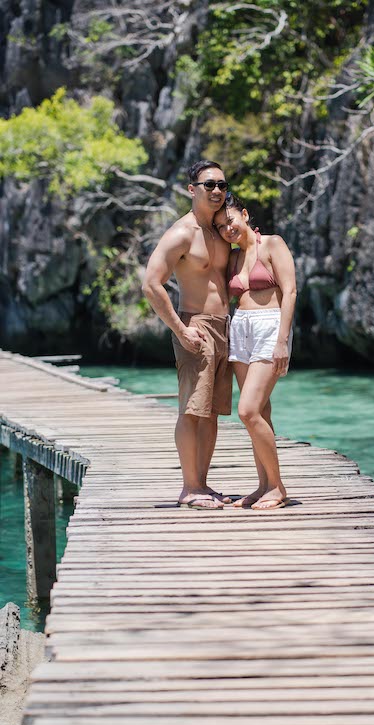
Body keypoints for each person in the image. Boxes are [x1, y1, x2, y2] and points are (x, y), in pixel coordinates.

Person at [142, 160, 233, 510]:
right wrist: (180, 330)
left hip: (224, 327)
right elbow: (151, 283)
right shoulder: (183, 232)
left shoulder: (221, 230)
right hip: (194, 326)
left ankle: (203, 484)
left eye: (222, 185)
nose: (216, 191)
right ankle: (189, 487)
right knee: (192, 410)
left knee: (210, 412)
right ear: (191, 189)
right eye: (208, 184)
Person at [213, 194, 296, 510]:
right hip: (241, 329)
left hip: (269, 326)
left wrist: (282, 340)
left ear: (244, 215)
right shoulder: (232, 258)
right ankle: (263, 486)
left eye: (230, 220)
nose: (227, 229)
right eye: (220, 226)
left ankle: (277, 487)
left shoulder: (272, 244)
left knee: (247, 410)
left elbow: (290, 291)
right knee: (260, 413)